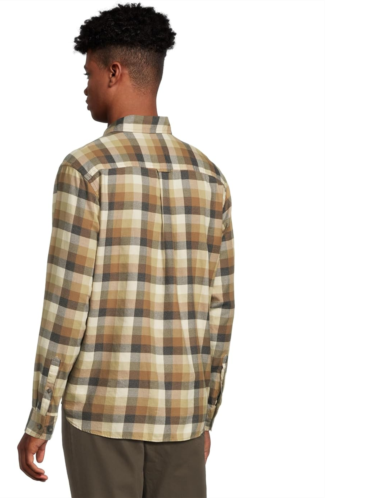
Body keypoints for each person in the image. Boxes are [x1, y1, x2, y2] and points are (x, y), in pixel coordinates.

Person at [17, 3, 235, 497]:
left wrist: (40, 417)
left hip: (101, 416)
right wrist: (205, 416)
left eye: (89, 73)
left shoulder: (85, 169)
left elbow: (66, 307)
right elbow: (220, 314)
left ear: (114, 72)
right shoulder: (210, 176)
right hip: (182, 418)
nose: (85, 87)